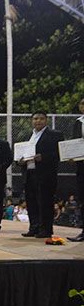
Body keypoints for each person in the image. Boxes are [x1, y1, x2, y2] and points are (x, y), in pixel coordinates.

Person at [17, 112, 64, 239]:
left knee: (45, 202)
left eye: (41, 118)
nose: (38, 121)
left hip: (45, 174)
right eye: (35, 118)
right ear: (32, 121)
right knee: (31, 202)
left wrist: (44, 157)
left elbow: (60, 153)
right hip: (29, 173)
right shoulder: (28, 135)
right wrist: (20, 161)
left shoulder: (55, 135)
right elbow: (20, 153)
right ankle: (34, 227)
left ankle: (46, 230)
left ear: (46, 120)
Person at [68, 98, 84, 242]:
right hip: (81, 164)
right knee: (82, 197)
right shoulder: (78, 122)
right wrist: (71, 155)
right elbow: (74, 141)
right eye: (82, 104)